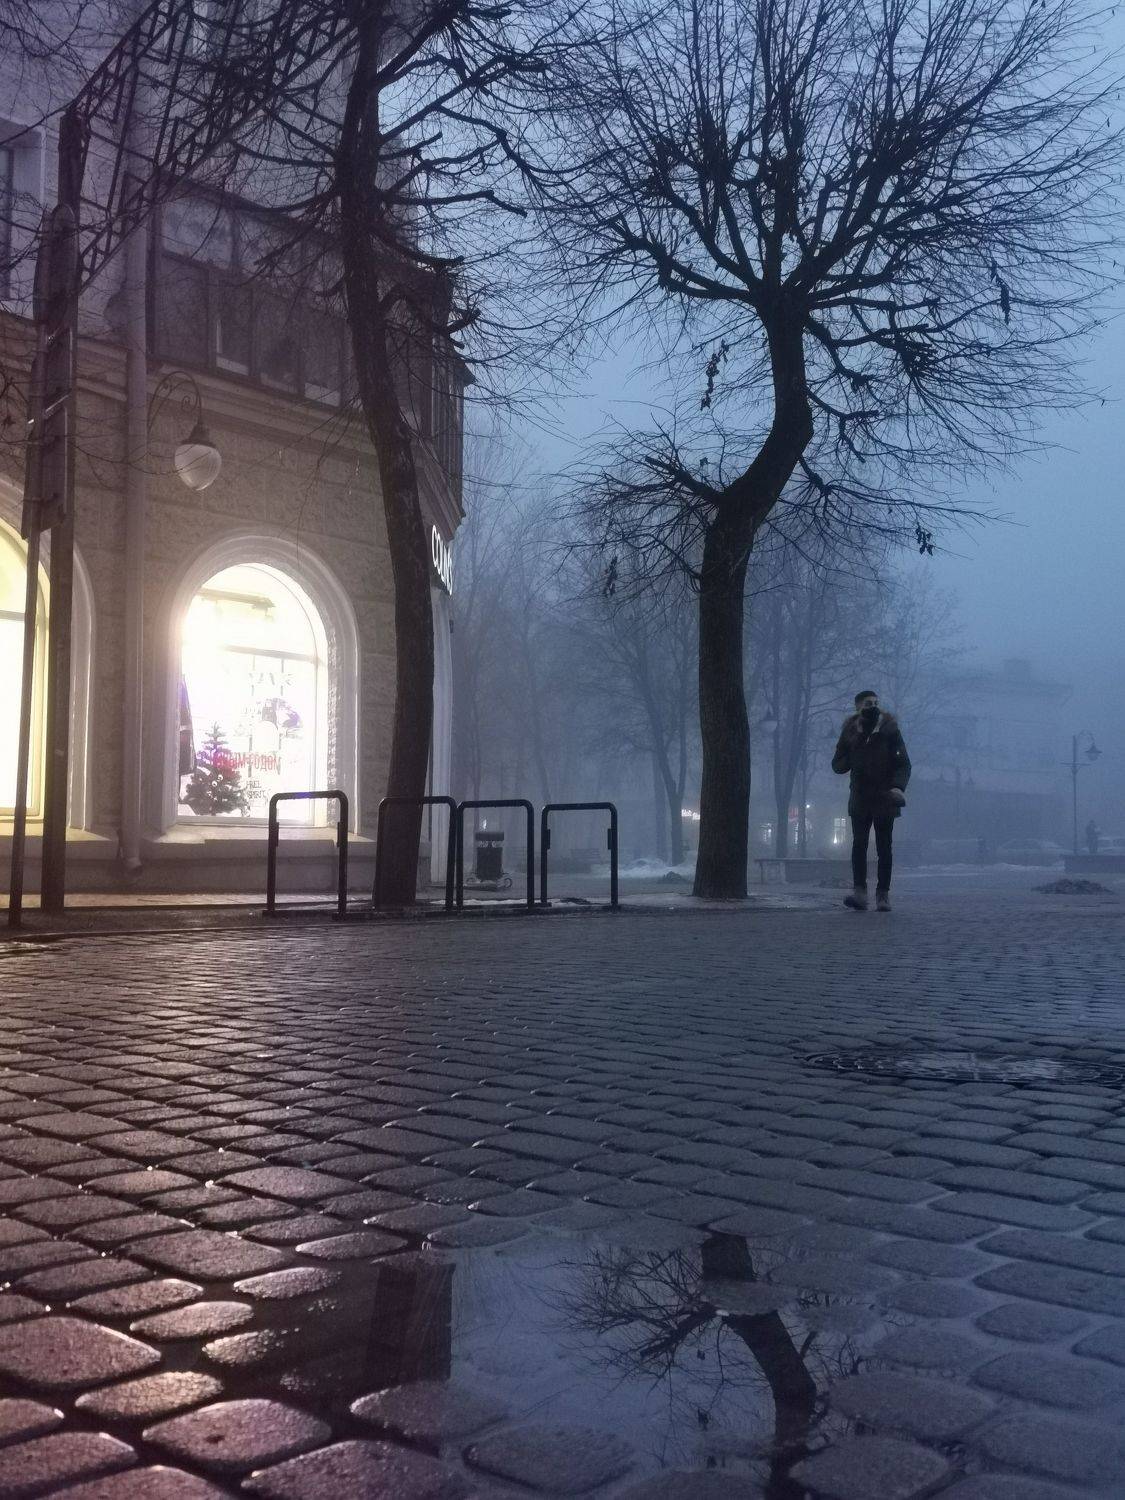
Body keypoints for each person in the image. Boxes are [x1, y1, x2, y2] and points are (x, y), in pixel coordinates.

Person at [832, 690, 911, 912]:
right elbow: (837, 765)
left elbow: (904, 763)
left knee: (884, 848)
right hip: (860, 798)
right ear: (858, 707)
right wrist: (853, 753)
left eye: (876, 702)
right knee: (859, 845)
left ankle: (883, 895)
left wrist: (897, 787)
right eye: (868, 703)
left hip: (885, 797)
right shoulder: (850, 732)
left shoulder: (889, 730)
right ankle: (860, 893)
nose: (873, 706)